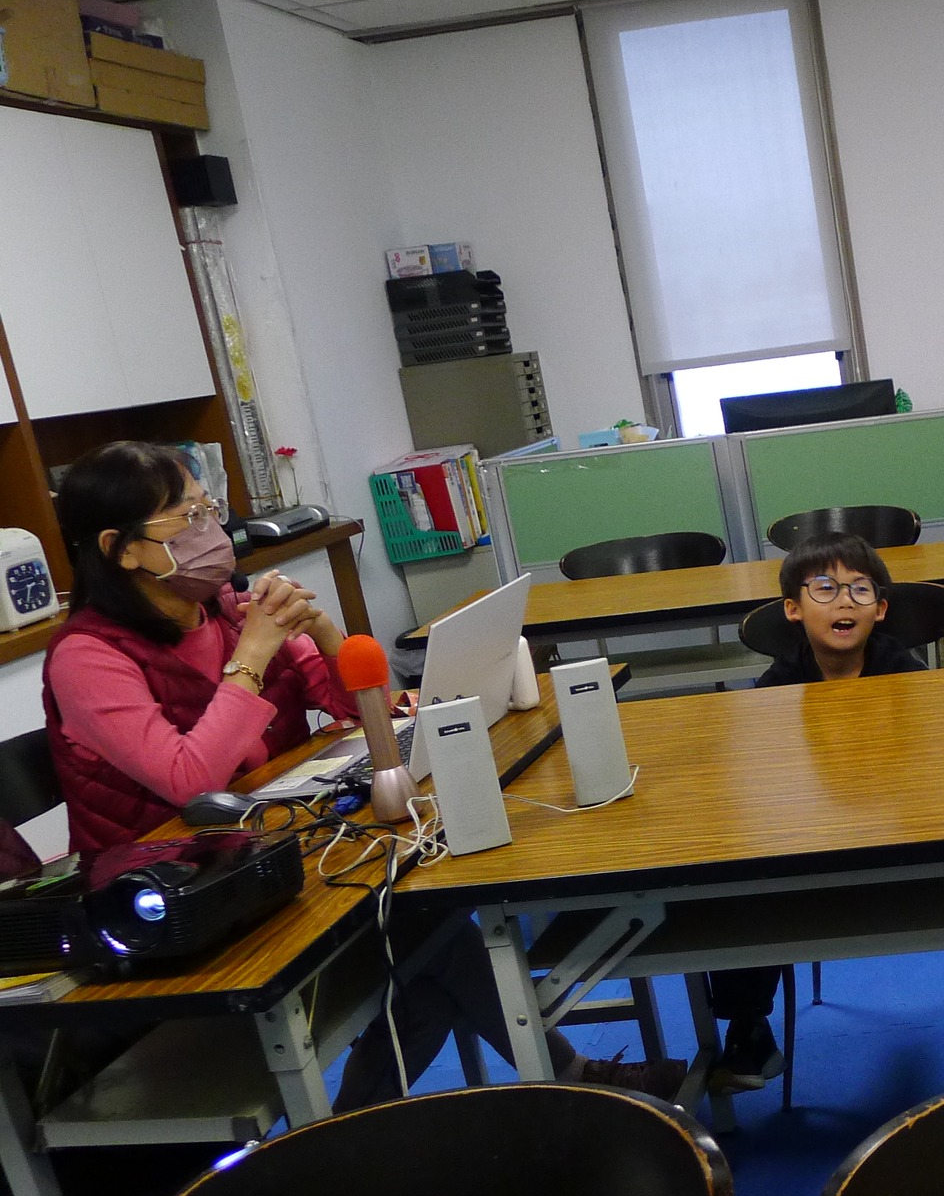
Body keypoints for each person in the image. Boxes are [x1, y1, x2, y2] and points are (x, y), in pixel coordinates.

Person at [39, 442, 680, 1108]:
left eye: (209, 510)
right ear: (121, 549)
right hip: (166, 912)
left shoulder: (225, 612)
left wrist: (321, 631)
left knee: (431, 940)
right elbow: (188, 780)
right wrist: (252, 656)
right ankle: (565, 1077)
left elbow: (355, 707)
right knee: (433, 941)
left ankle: (369, 1128)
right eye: (187, 518)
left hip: (271, 863)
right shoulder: (87, 657)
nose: (211, 532)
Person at [697, 531, 944, 1090]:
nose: (844, 601)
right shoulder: (775, 689)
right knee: (738, 873)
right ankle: (749, 1027)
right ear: (793, 609)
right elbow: (762, 781)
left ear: (880, 609)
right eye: (824, 589)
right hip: (813, 848)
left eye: (860, 590)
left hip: (907, 836)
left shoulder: (905, 675)